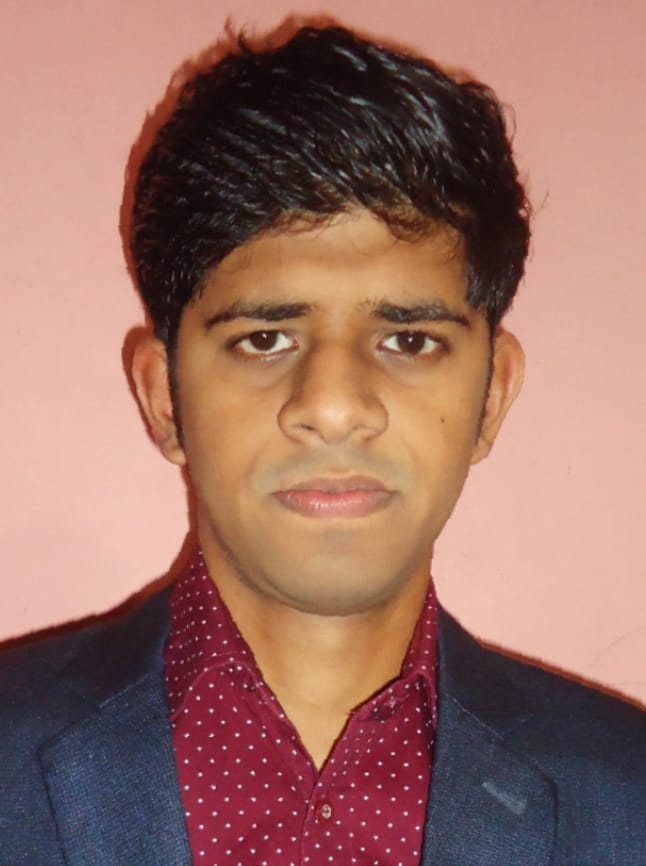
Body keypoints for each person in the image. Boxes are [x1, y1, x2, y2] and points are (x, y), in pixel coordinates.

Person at [1, 22, 645, 866]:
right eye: (265, 338)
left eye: (409, 340)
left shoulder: (627, 797)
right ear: (164, 399)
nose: (335, 409)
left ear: (490, 397)